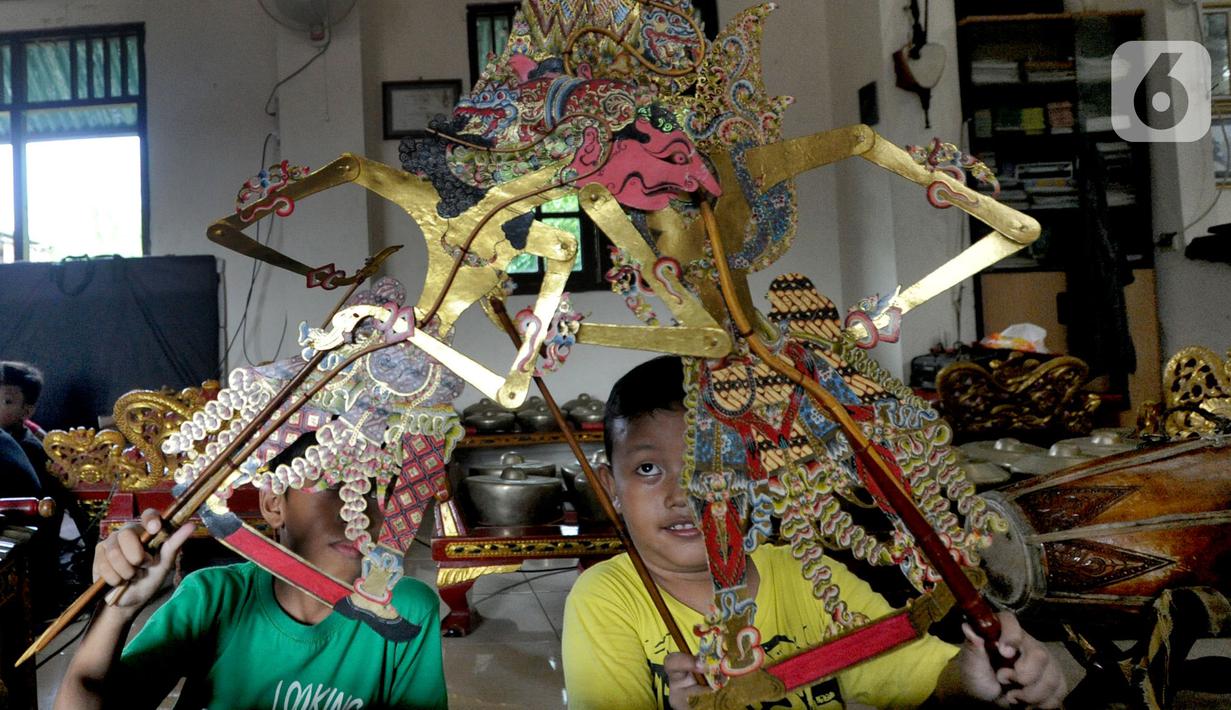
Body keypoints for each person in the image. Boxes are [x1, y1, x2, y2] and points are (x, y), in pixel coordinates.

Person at [562, 357, 1067, 709]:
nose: (685, 494)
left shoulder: (811, 576)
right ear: (610, 487)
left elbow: (914, 675)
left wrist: (973, 680)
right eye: (649, 469)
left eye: (716, 465)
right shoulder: (606, 600)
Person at [54, 432, 448, 710]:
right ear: (274, 504)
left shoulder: (407, 611)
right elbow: (83, 702)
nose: (361, 513)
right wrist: (117, 610)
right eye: (337, 486)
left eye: (379, 492)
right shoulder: (213, 598)